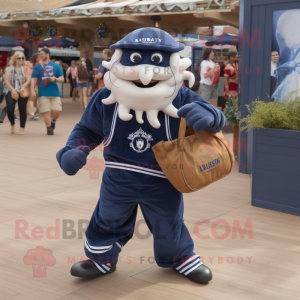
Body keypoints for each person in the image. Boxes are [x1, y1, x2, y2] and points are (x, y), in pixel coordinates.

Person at [57, 27, 226, 284]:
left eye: (156, 60)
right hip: (118, 178)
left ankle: (180, 257)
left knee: (168, 221)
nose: (145, 72)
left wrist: (211, 117)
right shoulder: (106, 97)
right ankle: (101, 258)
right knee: (108, 218)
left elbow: (214, 116)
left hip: (164, 177)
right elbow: (87, 129)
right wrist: (71, 150)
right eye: (136, 59)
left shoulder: (180, 96)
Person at [30, 47, 64, 135]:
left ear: (47, 54)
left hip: (54, 92)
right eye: (39, 54)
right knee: (46, 110)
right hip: (43, 92)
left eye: (42, 54)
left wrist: (55, 79)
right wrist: (34, 90)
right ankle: (49, 128)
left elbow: (62, 78)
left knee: (57, 111)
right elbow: (33, 79)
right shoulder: (37, 66)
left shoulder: (55, 66)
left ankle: (53, 121)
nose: (40, 56)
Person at [4, 51, 31, 134]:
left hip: (22, 90)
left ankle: (22, 128)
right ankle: (12, 124)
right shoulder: (8, 69)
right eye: (19, 58)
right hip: (10, 89)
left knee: (22, 109)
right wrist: (13, 90)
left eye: (23, 58)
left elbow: (28, 80)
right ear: (15, 59)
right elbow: (7, 81)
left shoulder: (26, 68)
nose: (21, 59)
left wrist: (23, 87)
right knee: (10, 110)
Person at [25, 53, 41, 121]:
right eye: (39, 57)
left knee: (31, 101)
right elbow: (31, 77)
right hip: (30, 85)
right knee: (30, 100)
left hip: (34, 84)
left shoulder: (35, 65)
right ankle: (32, 114)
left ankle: (33, 113)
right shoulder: (30, 66)